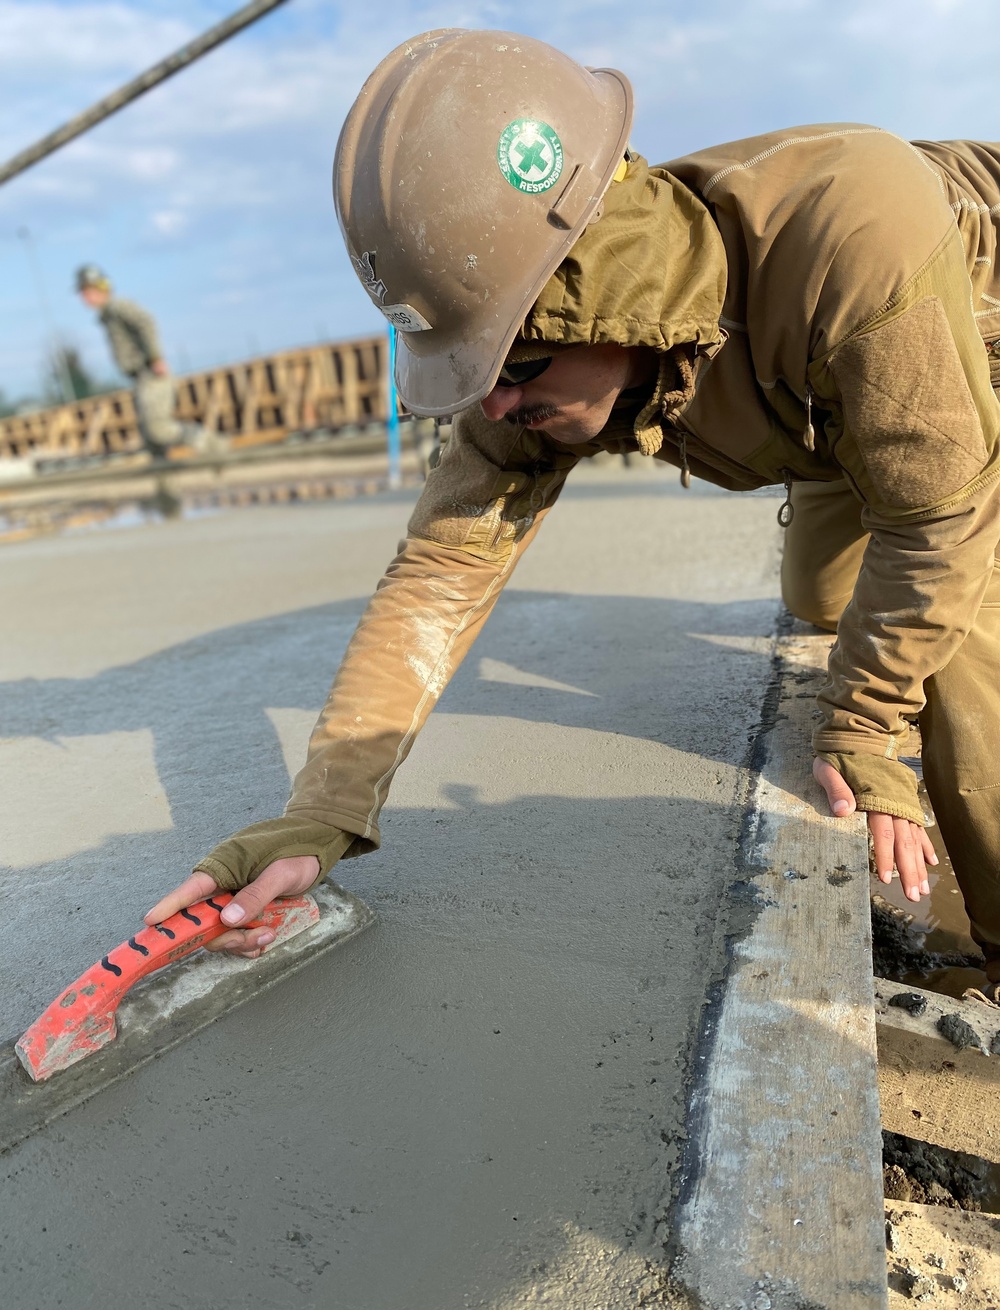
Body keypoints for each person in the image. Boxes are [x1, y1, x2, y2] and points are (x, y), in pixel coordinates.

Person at [146, 30, 1000, 994]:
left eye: (515, 366)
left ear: (607, 297)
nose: (498, 405)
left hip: (958, 341)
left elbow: (939, 521)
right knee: (823, 596)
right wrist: (323, 811)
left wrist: (867, 719)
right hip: (839, 402)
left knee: (959, 646)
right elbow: (441, 573)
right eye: (479, 373)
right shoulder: (537, 362)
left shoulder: (852, 235)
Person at [75, 264, 225, 459]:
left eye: (87, 292)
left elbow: (145, 321)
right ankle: (165, 488)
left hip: (151, 374)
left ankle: (213, 444)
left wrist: (155, 357)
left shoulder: (118, 307)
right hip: (140, 378)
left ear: (101, 288)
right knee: (152, 442)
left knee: (158, 429)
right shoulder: (107, 315)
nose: (83, 298)